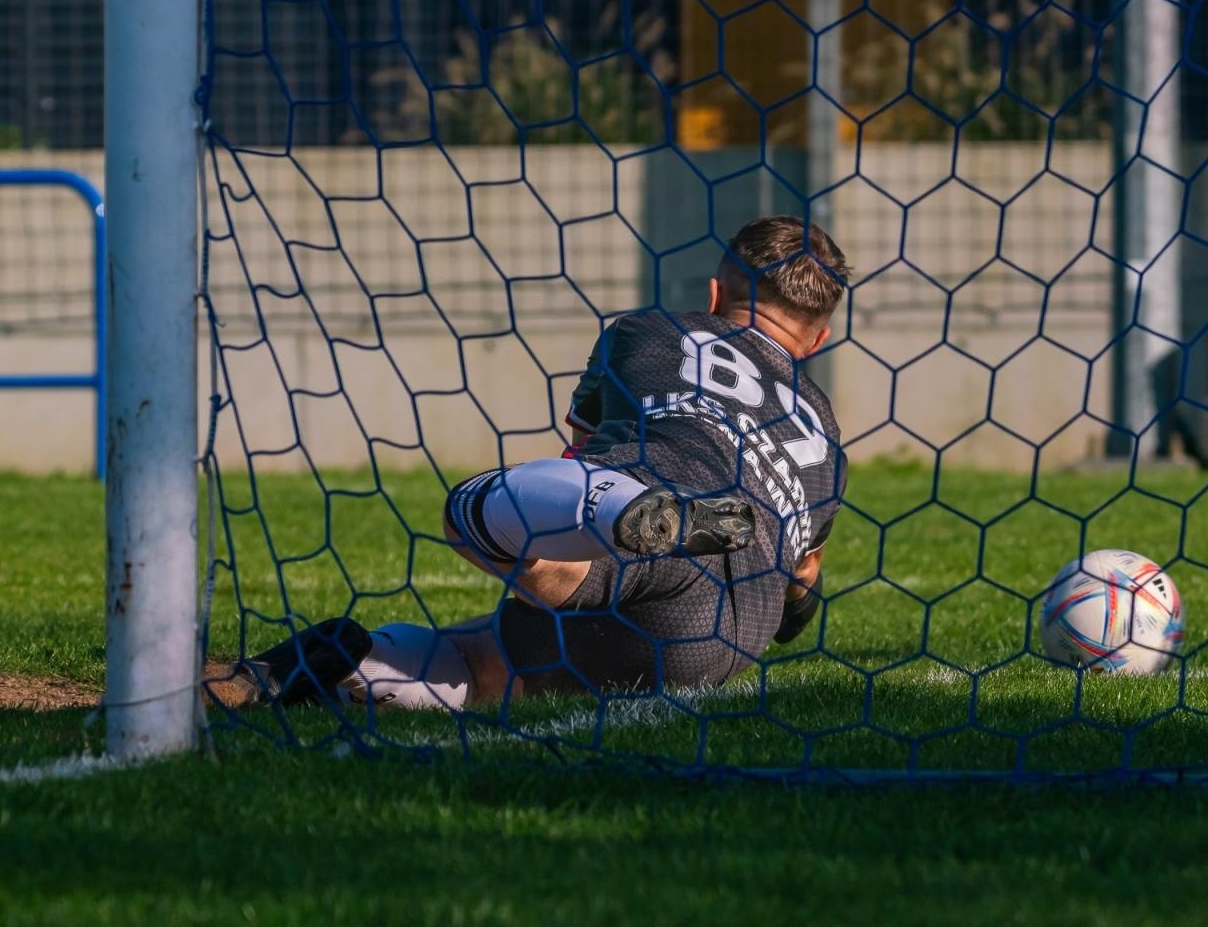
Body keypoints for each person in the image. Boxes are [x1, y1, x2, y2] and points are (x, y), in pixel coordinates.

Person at [206, 216, 851, 712]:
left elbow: (582, 453)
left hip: (642, 521)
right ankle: (341, 664)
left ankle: (630, 512)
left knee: (473, 512)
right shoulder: (824, 429)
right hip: (718, 643)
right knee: (487, 658)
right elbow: (801, 590)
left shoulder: (649, 330)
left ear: (714, 295)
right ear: (818, 339)